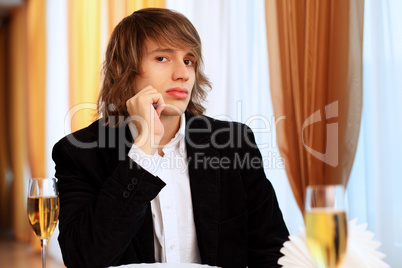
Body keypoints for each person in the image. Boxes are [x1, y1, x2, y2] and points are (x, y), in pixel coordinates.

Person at [52, 8, 289, 268]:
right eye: (163, 58)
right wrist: (143, 152)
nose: (183, 74)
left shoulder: (235, 143)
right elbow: (83, 259)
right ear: (125, 70)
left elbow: (272, 252)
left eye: (189, 60)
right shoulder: (79, 153)